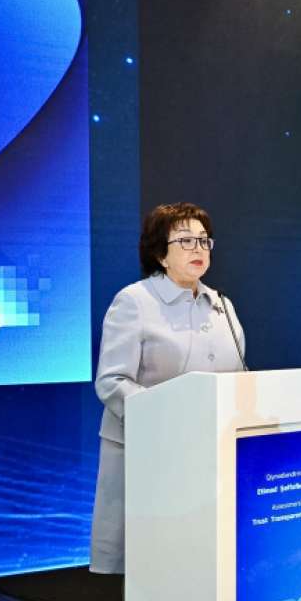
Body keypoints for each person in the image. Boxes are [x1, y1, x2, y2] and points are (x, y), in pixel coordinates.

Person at [90, 202, 246, 574]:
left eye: (204, 241)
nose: (198, 249)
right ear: (160, 253)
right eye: (186, 241)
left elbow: (240, 376)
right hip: (152, 453)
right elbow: (112, 381)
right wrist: (166, 417)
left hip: (211, 454)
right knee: (155, 564)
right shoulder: (135, 301)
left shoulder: (222, 305)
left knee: (203, 561)